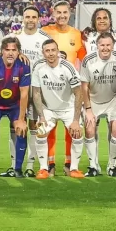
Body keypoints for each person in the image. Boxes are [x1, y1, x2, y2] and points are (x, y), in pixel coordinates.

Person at [29, 40, 86, 179]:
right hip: (49, 109)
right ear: (43, 53)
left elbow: (79, 93)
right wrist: (41, 116)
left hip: (68, 108)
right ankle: (43, 169)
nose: (50, 54)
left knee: (77, 133)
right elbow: (36, 93)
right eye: (47, 51)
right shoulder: (38, 67)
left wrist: (76, 120)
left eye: (53, 50)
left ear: (57, 51)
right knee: (40, 132)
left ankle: (73, 169)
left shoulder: (68, 67)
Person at [42, 0, 86, 173]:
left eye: (65, 13)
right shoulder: (45, 32)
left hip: (70, 89)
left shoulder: (77, 34)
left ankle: (69, 164)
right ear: (53, 14)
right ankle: (50, 164)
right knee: (48, 128)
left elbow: (84, 58)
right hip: (49, 87)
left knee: (72, 128)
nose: (61, 16)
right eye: (58, 13)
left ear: (70, 14)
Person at [80, 32, 116, 176]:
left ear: (113, 45)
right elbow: (84, 86)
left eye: (108, 45)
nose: (105, 48)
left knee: (115, 127)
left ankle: (112, 165)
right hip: (93, 100)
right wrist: (88, 109)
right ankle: (93, 166)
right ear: (97, 46)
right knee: (89, 129)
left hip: (113, 99)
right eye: (102, 45)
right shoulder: (88, 60)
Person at [0, 37, 32, 178]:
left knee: (21, 130)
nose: (10, 53)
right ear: (2, 51)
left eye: (13, 50)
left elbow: (24, 94)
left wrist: (21, 119)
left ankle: (18, 169)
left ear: (18, 52)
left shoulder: (24, 67)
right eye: (7, 50)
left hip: (15, 104)